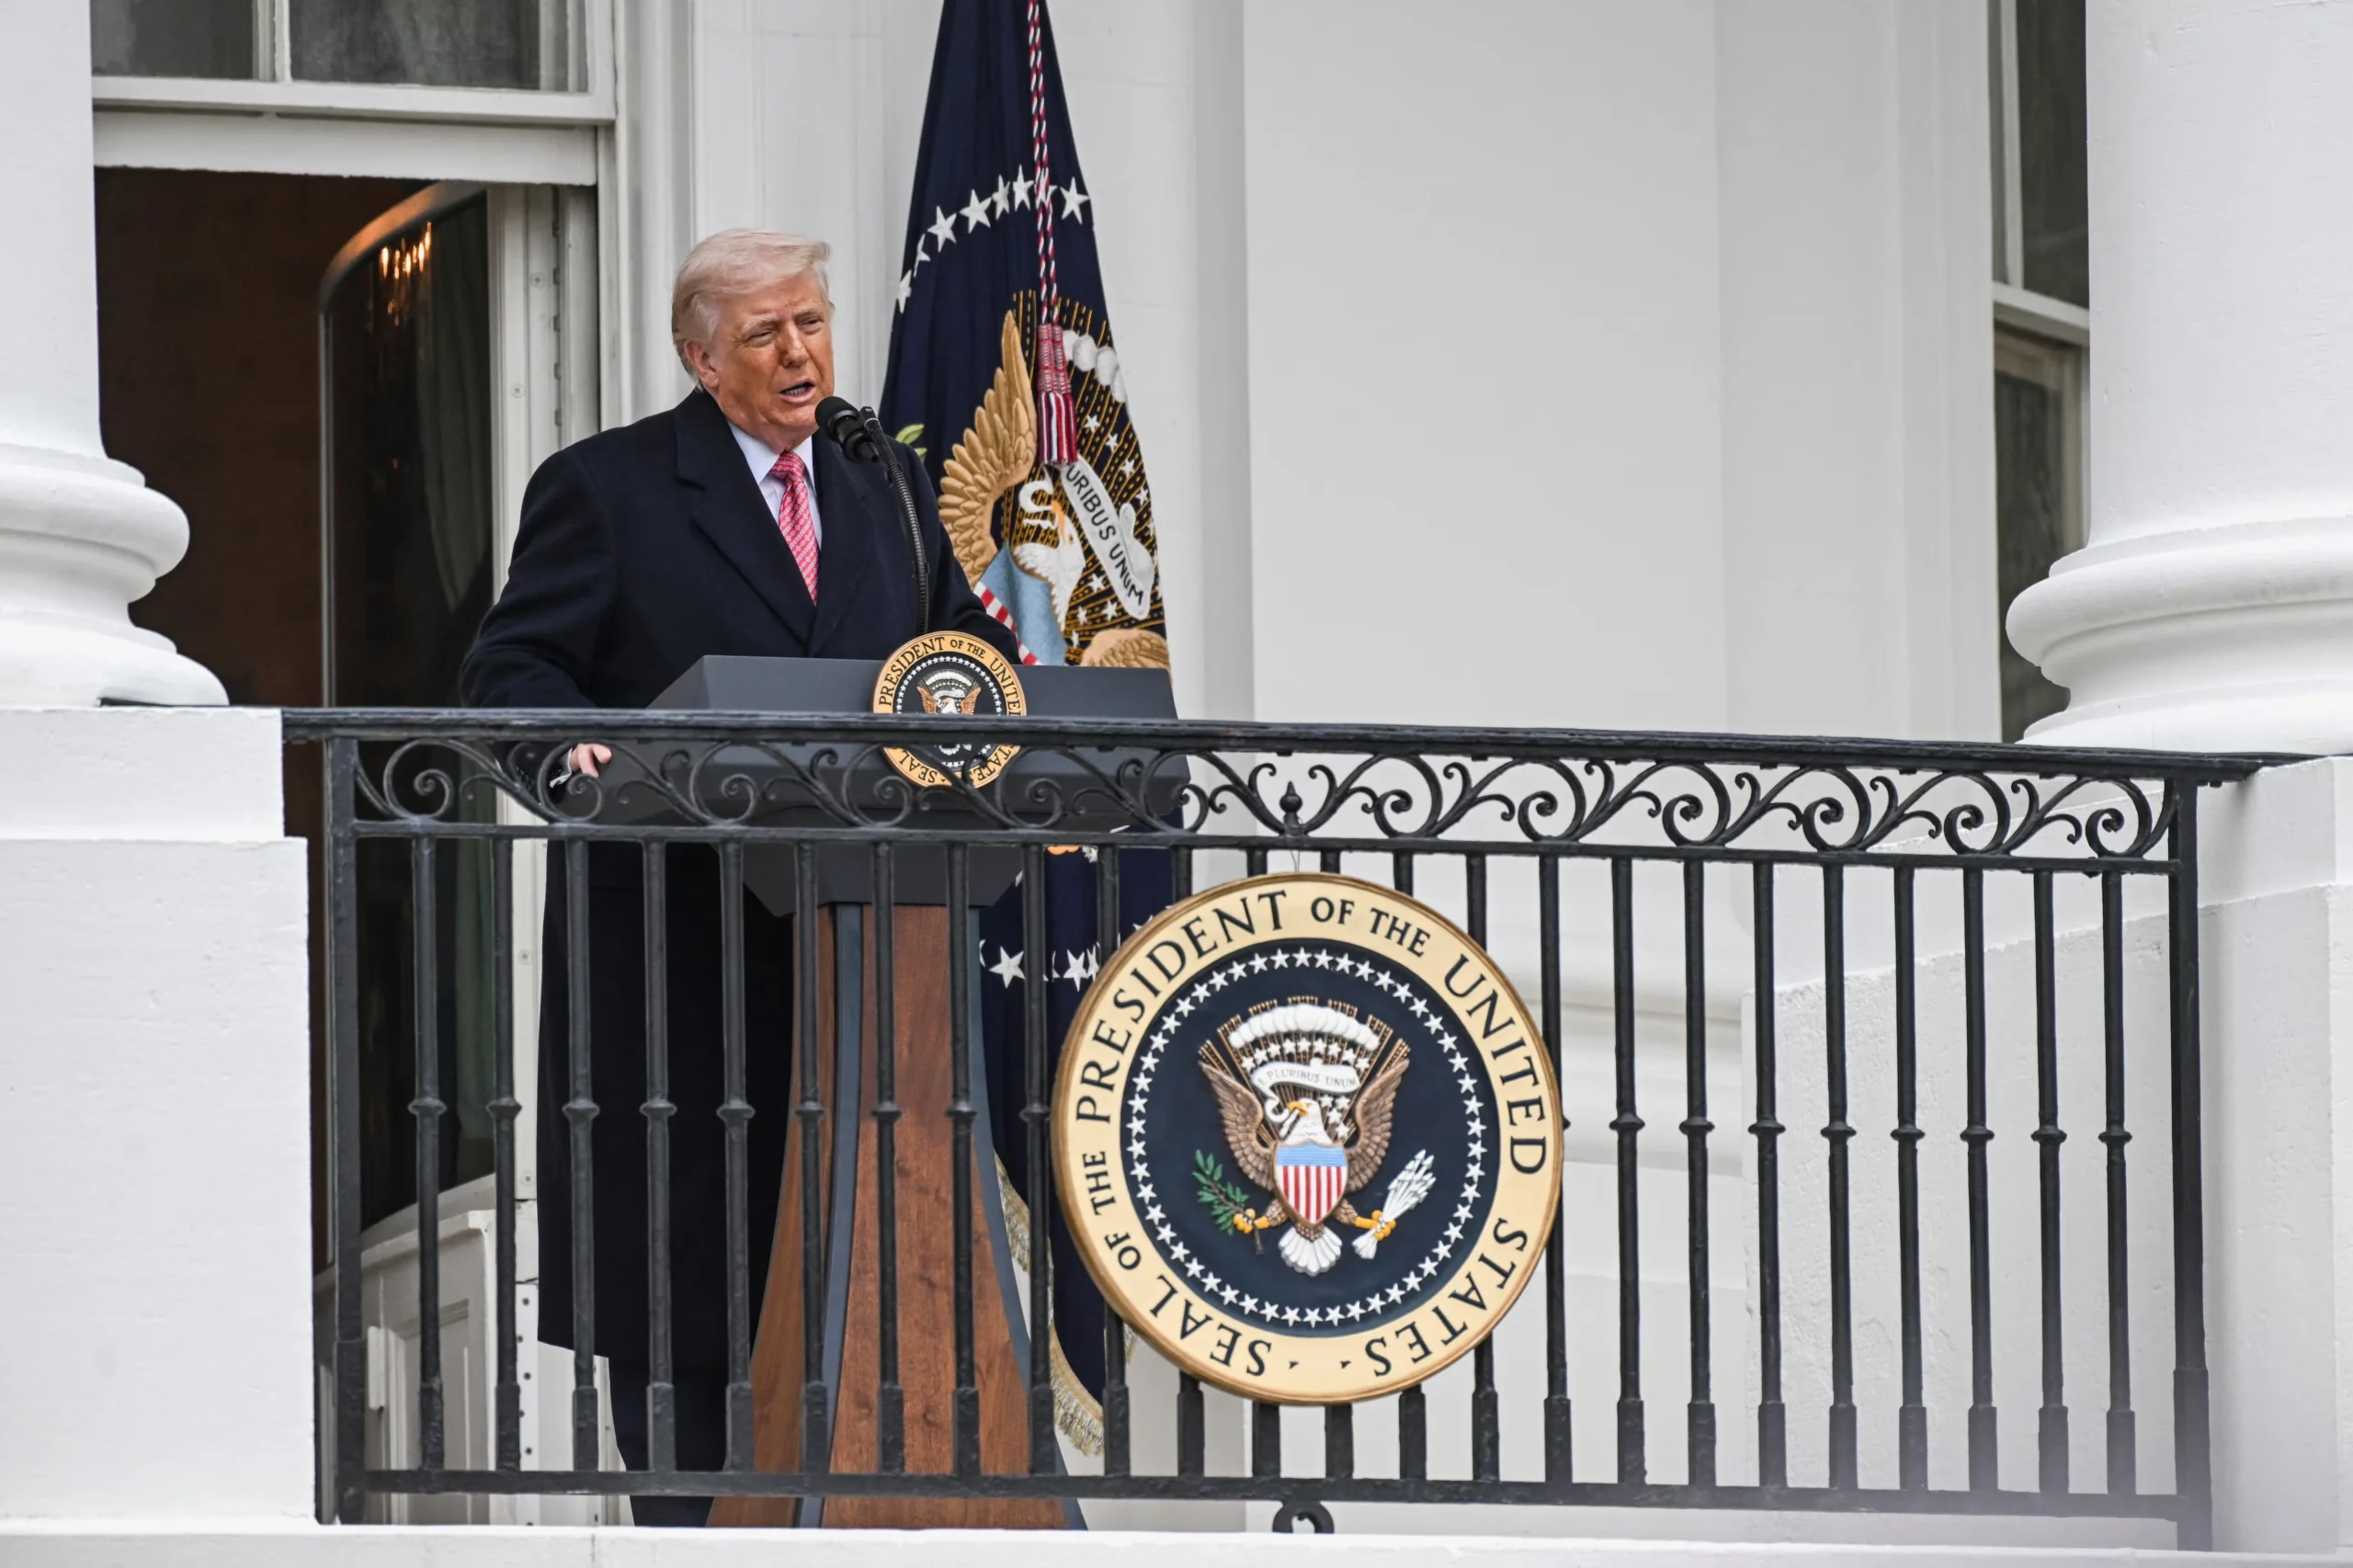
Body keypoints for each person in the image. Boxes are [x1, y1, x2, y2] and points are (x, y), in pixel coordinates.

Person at [459, 229, 1018, 1524]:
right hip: (678, 981)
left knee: (866, 1316)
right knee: (695, 1336)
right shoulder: (606, 491)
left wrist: (1022, 726)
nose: (800, 354)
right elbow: (511, 677)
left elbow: (962, 662)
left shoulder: (882, 487)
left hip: (871, 995)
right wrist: (575, 755)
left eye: (813, 323)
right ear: (701, 359)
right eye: (766, 333)